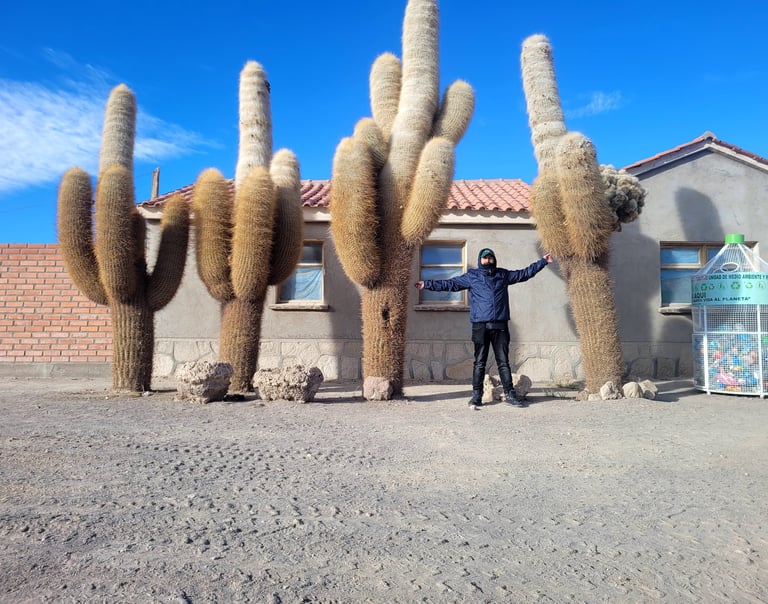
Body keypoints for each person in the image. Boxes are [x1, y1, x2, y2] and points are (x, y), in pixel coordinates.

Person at [415, 248, 554, 409]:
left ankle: (510, 394)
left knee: (503, 362)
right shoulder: (472, 276)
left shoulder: (503, 275)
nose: (488, 260)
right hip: (480, 326)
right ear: (480, 260)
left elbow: (524, 273)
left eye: (490, 257)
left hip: (500, 325)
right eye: (485, 258)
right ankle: (476, 396)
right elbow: (450, 284)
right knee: (479, 362)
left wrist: (543, 261)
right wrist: (427, 284)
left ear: (494, 259)